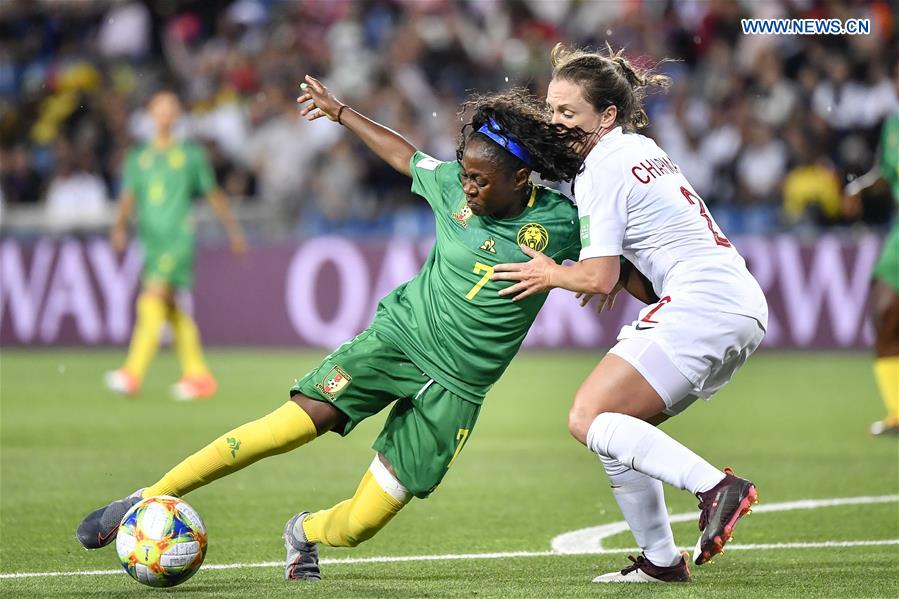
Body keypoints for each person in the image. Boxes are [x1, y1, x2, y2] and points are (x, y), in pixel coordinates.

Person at [76, 80, 593, 582]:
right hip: (398, 342)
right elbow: (403, 155)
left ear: (522, 178)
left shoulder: (562, 221)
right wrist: (342, 112)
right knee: (286, 427)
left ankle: (303, 533)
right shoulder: (451, 189)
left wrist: (591, 278)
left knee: (358, 526)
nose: (468, 186)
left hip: (457, 391)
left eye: (480, 180)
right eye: (465, 175)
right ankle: (147, 495)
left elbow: (620, 263)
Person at [491, 44, 769, 583]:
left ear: (608, 115)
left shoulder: (603, 166)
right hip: (732, 300)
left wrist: (552, 272)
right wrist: (611, 273)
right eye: (551, 110)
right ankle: (661, 561)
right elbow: (626, 271)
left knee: (587, 417)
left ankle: (718, 487)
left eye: (568, 113)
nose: (555, 123)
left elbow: (595, 276)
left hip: (703, 300)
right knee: (617, 427)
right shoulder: (637, 149)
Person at [104, 91, 247, 401]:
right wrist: (118, 229)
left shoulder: (190, 155)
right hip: (151, 243)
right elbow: (129, 198)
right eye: (160, 109)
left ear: (178, 115)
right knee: (169, 307)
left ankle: (132, 373)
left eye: (171, 108)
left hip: (178, 240)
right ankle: (198, 376)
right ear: (150, 114)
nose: (165, 114)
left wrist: (233, 230)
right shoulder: (138, 157)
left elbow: (212, 194)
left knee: (152, 297)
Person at [844, 108, 899, 436]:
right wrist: (861, 187)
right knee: (883, 311)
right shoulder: (893, 124)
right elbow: (886, 171)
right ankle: (897, 413)